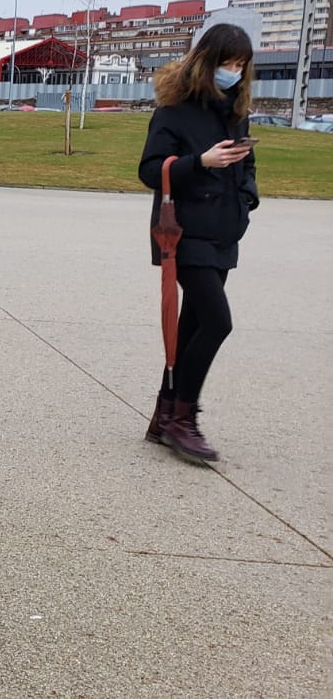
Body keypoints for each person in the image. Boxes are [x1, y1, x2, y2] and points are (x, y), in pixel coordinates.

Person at [136, 23, 258, 465]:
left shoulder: (235, 110)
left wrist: (247, 197)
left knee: (192, 327)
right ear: (206, 61)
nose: (234, 71)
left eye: (241, 64)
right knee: (217, 322)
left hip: (224, 231)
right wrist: (200, 163)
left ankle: (163, 415)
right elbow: (150, 169)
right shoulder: (173, 110)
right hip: (183, 232)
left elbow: (248, 166)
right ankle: (183, 420)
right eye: (227, 62)